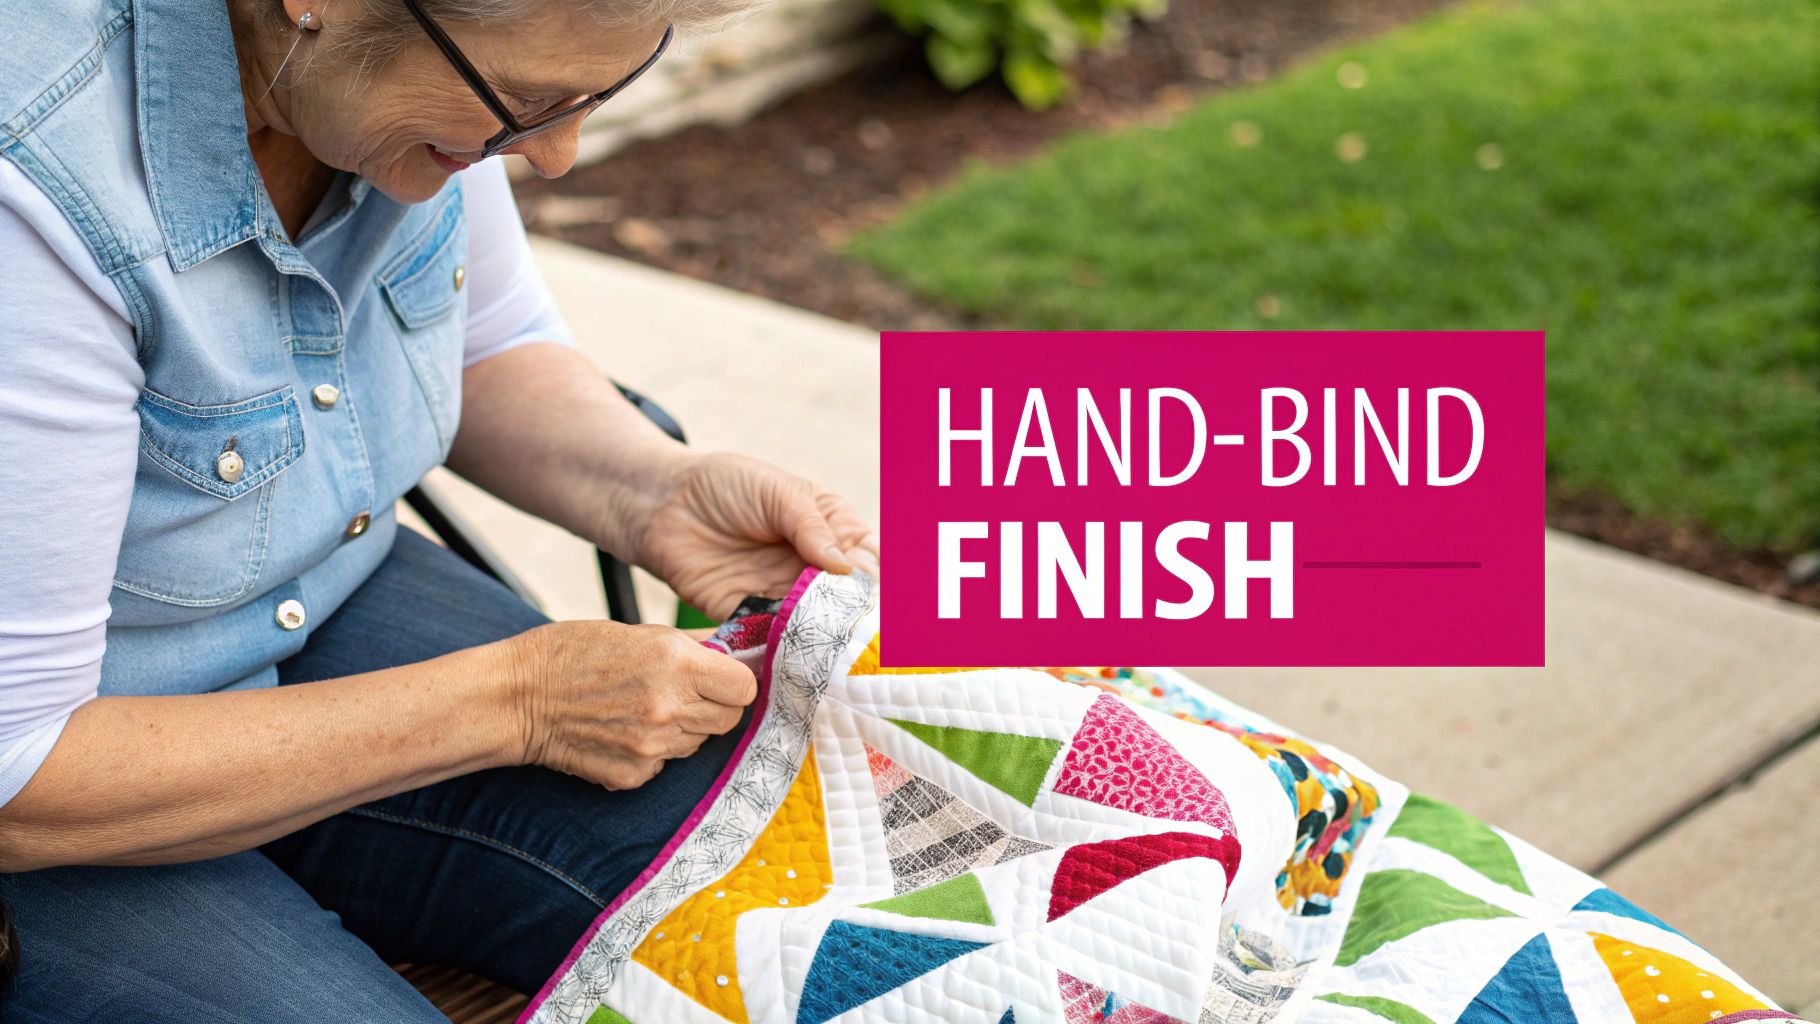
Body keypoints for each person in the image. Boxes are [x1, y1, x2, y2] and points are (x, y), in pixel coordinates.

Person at [0, 0, 878, 1018]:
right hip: (59, 781)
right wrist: (520, 702)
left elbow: (482, 338)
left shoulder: (394, 87)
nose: (555, 155)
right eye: (527, 102)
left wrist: (654, 490)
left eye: (597, 95)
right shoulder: (37, 189)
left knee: (801, 877)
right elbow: (19, 774)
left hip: (322, 595)